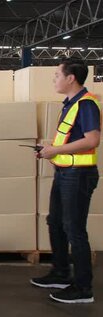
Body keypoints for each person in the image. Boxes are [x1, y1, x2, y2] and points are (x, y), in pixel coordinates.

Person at [31, 58, 101, 304]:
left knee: (74, 229)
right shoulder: (69, 104)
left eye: (57, 75)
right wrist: (50, 149)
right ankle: (61, 273)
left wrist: (57, 151)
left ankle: (83, 289)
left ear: (71, 78)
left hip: (79, 175)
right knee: (56, 222)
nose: (54, 80)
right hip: (65, 172)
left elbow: (92, 140)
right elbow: (71, 139)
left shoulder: (86, 104)